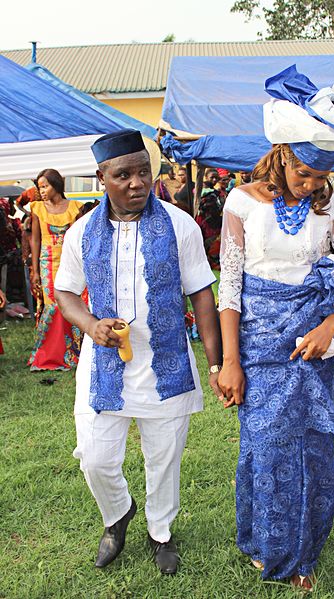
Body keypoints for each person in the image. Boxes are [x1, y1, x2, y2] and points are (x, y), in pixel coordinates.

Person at [217, 65, 334, 592]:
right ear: (284, 153)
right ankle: (268, 545)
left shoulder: (329, 204)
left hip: (313, 342)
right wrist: (230, 361)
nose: (312, 186)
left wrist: (332, 324)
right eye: (304, 174)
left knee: (312, 450)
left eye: (320, 178)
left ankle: (304, 551)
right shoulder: (241, 202)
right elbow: (231, 288)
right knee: (265, 449)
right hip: (259, 347)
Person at [54, 129, 222, 573]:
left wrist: (216, 360)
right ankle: (117, 515)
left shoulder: (179, 225)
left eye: (143, 171)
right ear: (101, 177)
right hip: (103, 366)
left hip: (165, 364)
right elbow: (66, 292)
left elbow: (202, 293)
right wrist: (91, 324)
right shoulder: (80, 233)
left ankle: (160, 532)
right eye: (123, 174)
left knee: (163, 458)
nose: (136, 183)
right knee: (95, 457)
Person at [28, 169, 83, 370]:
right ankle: (51, 353)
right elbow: (35, 239)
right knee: (53, 305)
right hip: (47, 263)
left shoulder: (75, 207)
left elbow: (78, 239)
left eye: (45, 186)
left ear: (56, 185)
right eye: (39, 187)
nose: (41, 191)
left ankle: (74, 351)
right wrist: (34, 270)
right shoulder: (37, 209)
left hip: (71, 261)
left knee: (73, 302)